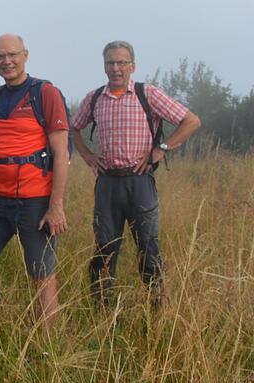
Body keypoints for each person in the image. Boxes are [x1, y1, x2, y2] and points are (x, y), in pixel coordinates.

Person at [71, 40, 201, 308]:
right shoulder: (95, 98)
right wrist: (87, 155)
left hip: (140, 181)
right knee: (104, 249)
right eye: (111, 63)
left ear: (133, 66)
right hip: (107, 183)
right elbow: (74, 128)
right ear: (104, 66)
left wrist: (161, 149)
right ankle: (102, 312)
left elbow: (191, 121)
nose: (116, 68)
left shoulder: (147, 94)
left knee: (148, 248)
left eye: (122, 62)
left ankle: (156, 310)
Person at [0, 34, 69, 332]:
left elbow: (61, 154)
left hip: (36, 200)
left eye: (12, 55)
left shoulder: (45, 93)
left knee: (42, 276)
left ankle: (49, 349)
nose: (7, 61)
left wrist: (56, 206)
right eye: (0, 57)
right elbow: (5, 144)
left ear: (25, 55)